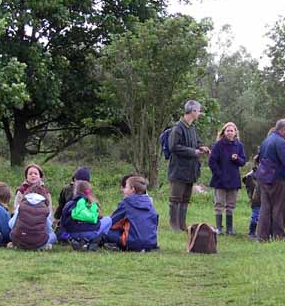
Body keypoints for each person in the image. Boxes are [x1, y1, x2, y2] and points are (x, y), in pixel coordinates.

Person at [167, 100, 211, 231]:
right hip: (178, 170)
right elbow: (173, 147)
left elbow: (195, 142)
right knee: (175, 198)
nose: (199, 113)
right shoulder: (177, 128)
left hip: (191, 170)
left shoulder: (192, 127)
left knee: (185, 199)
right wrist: (193, 152)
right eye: (198, 111)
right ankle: (174, 226)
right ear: (193, 111)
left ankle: (182, 225)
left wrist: (201, 147)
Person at [256, 119, 285, 241]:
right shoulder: (281, 143)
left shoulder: (267, 140)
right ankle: (278, 236)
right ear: (283, 130)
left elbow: (259, 157)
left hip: (263, 177)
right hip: (276, 178)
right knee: (278, 208)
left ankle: (262, 236)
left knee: (265, 207)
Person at [208, 122, 247, 234]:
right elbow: (212, 162)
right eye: (228, 130)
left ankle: (229, 229)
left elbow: (243, 162)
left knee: (231, 205)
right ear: (224, 132)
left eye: (232, 130)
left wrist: (237, 159)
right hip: (219, 179)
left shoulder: (239, 146)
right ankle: (219, 228)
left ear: (235, 132)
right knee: (219, 204)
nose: (230, 132)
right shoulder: (218, 145)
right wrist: (219, 174)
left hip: (233, 179)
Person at [105, 175, 159, 251]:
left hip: (134, 243)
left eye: (126, 187)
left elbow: (111, 221)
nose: (123, 190)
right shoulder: (149, 203)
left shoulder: (127, 202)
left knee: (105, 231)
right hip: (151, 243)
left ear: (133, 189)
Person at [58, 180, 112, 250]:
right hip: (90, 233)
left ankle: (78, 242)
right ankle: (95, 241)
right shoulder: (92, 203)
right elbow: (97, 219)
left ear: (75, 191)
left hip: (72, 235)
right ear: (89, 191)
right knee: (108, 219)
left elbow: (63, 224)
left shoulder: (68, 204)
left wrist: (67, 236)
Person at [9, 184, 57, 250]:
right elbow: (48, 229)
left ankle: (16, 244)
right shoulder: (46, 209)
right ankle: (42, 246)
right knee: (53, 236)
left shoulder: (20, 206)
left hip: (18, 239)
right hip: (38, 242)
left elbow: (11, 224)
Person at [242, 155, 261, 238]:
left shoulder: (266, 173)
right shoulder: (250, 176)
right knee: (255, 216)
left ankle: (261, 232)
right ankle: (252, 232)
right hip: (256, 199)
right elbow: (250, 188)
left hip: (264, 198)